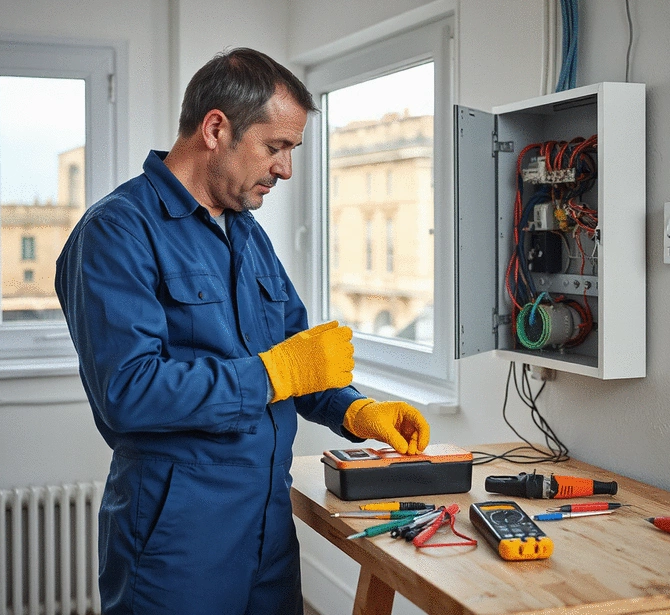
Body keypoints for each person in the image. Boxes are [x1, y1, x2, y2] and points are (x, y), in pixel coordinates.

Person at [55, 48, 430, 615]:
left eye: (291, 151)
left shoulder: (248, 235)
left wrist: (354, 411)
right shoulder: (117, 231)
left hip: (268, 527)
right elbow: (128, 393)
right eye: (275, 147)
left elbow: (299, 361)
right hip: (177, 534)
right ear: (215, 128)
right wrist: (272, 373)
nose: (285, 169)